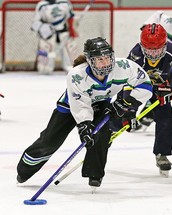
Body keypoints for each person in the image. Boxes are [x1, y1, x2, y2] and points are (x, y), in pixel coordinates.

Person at [16, 37, 153, 189]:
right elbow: (80, 104)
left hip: (100, 103)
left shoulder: (124, 67)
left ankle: (94, 175)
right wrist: (84, 125)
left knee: (101, 133)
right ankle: (24, 169)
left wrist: (127, 103)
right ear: (89, 60)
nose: (105, 63)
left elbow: (145, 84)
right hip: (70, 106)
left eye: (107, 58)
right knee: (50, 141)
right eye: (99, 59)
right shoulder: (76, 75)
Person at [127, 23, 172, 177]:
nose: (153, 54)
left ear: (165, 44)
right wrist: (128, 109)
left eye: (157, 49)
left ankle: (162, 154)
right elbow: (126, 79)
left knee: (166, 118)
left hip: (162, 89)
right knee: (122, 112)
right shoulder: (136, 53)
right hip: (140, 86)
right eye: (149, 50)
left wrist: (171, 88)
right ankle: (106, 137)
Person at [31, 0, 78, 74]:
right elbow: (34, 23)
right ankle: (45, 68)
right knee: (44, 70)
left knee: (73, 67)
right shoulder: (42, 5)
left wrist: (73, 28)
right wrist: (44, 28)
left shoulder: (65, 3)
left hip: (64, 32)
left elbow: (71, 18)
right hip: (48, 35)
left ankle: (72, 68)